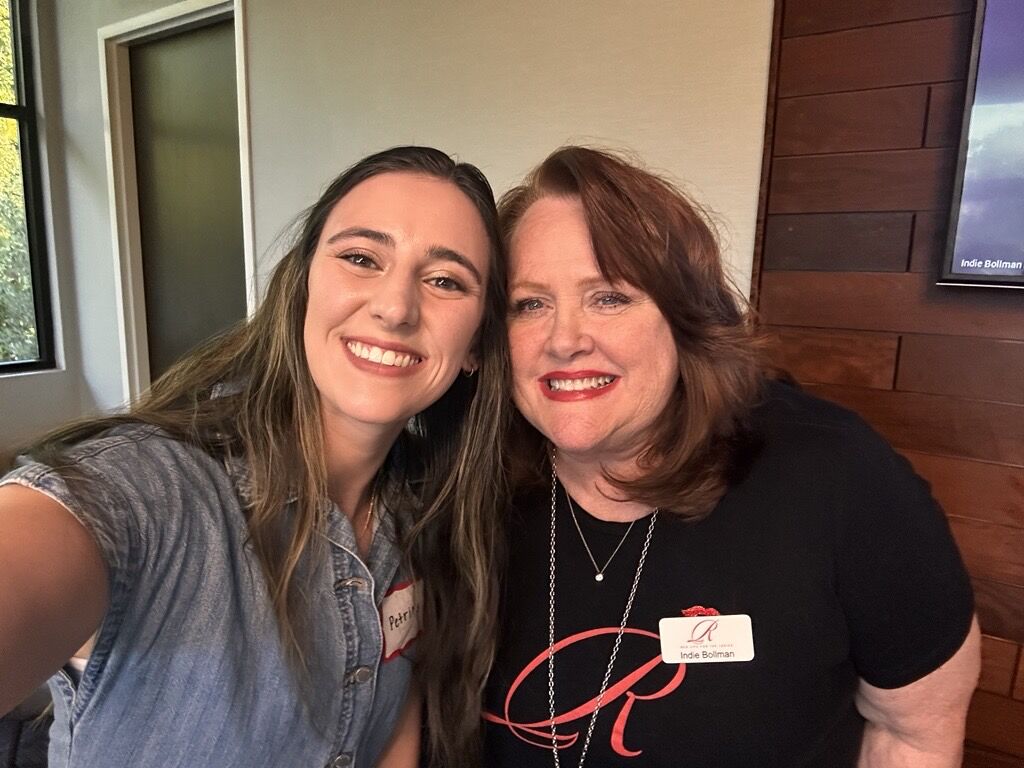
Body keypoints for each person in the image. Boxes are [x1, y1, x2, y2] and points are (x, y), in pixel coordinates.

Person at [0, 146, 509, 768]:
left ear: (477, 345)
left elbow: (393, 733)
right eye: (360, 258)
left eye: (445, 281)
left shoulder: (424, 513)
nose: (396, 307)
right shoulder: (149, 489)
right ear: (301, 287)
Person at [482, 146, 980, 767]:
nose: (564, 340)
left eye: (609, 297)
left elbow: (913, 732)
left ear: (685, 315)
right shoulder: (467, 486)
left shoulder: (836, 475)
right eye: (529, 304)